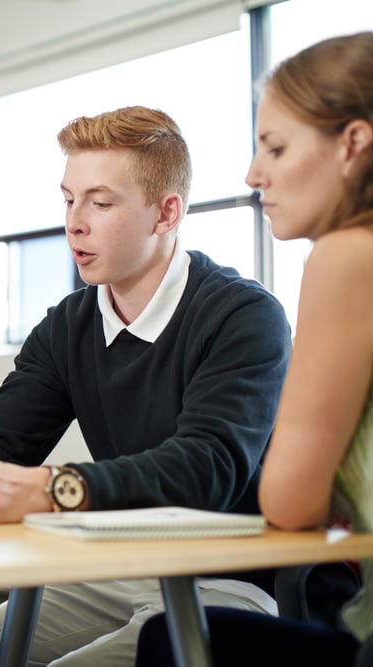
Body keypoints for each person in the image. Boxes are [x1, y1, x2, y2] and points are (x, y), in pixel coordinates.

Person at [0, 105, 293, 666]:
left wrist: (50, 489)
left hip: (233, 582)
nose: (74, 222)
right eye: (69, 199)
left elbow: (205, 468)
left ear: (166, 213)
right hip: (117, 568)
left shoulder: (243, 316)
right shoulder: (69, 324)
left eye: (100, 202)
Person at [135, 31, 373, 667]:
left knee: (173, 642)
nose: (252, 172)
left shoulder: (348, 256)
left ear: (352, 143)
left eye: (276, 146)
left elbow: (291, 502)